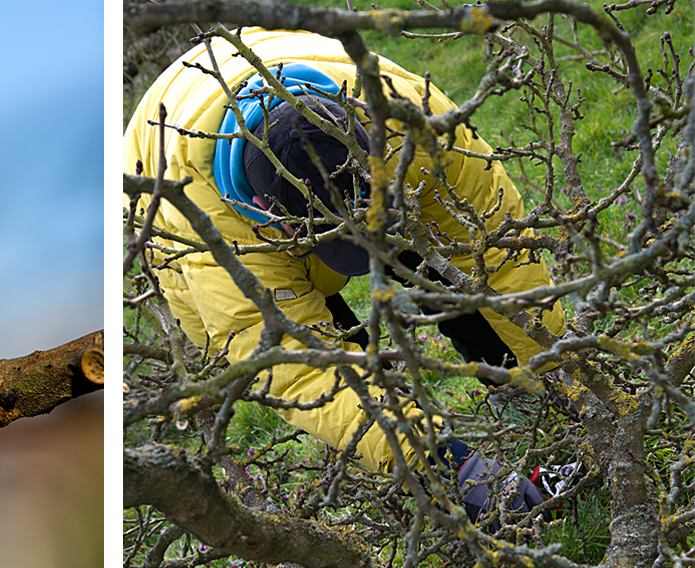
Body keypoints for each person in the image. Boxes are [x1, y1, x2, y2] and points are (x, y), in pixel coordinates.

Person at [124, 28, 565, 527]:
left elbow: (499, 261)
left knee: (448, 259)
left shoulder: (407, 117)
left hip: (284, 75)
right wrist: (446, 461)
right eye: (335, 237)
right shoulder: (205, 233)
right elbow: (299, 366)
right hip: (164, 162)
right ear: (268, 213)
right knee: (330, 355)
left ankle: (517, 387)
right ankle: (419, 441)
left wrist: (565, 377)